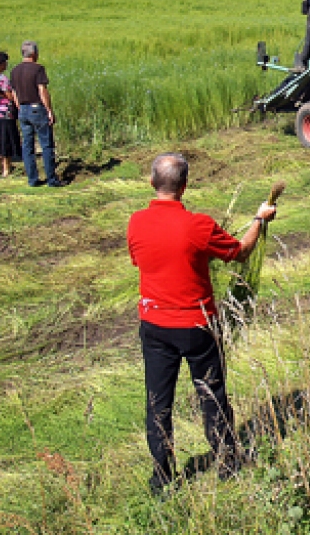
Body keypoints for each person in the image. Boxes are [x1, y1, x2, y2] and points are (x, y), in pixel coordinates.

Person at [127, 153, 277, 494]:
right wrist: (259, 218)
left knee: (157, 402)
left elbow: (138, 259)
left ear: (152, 183)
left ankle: (162, 478)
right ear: (185, 186)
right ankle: (227, 462)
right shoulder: (198, 225)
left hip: (154, 325)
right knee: (212, 395)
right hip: (198, 326)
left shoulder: (136, 222)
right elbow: (240, 251)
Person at [10, 40, 62, 188]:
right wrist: (49, 110)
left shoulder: (15, 70)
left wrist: (19, 106)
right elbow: (42, 90)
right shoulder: (38, 69)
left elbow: (14, 92)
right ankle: (51, 179)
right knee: (46, 145)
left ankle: (32, 179)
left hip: (23, 109)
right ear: (34, 53)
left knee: (27, 146)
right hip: (36, 108)